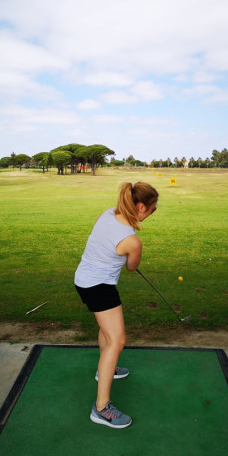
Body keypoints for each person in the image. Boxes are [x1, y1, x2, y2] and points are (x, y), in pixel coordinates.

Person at [74, 181, 158, 429]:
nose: (152, 213)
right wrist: (131, 255)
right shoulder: (132, 241)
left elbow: (101, 241)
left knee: (107, 331)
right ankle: (101, 408)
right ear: (140, 207)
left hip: (83, 280)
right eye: (152, 209)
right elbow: (131, 267)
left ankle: (105, 369)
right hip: (98, 286)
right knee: (117, 340)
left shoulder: (108, 213)